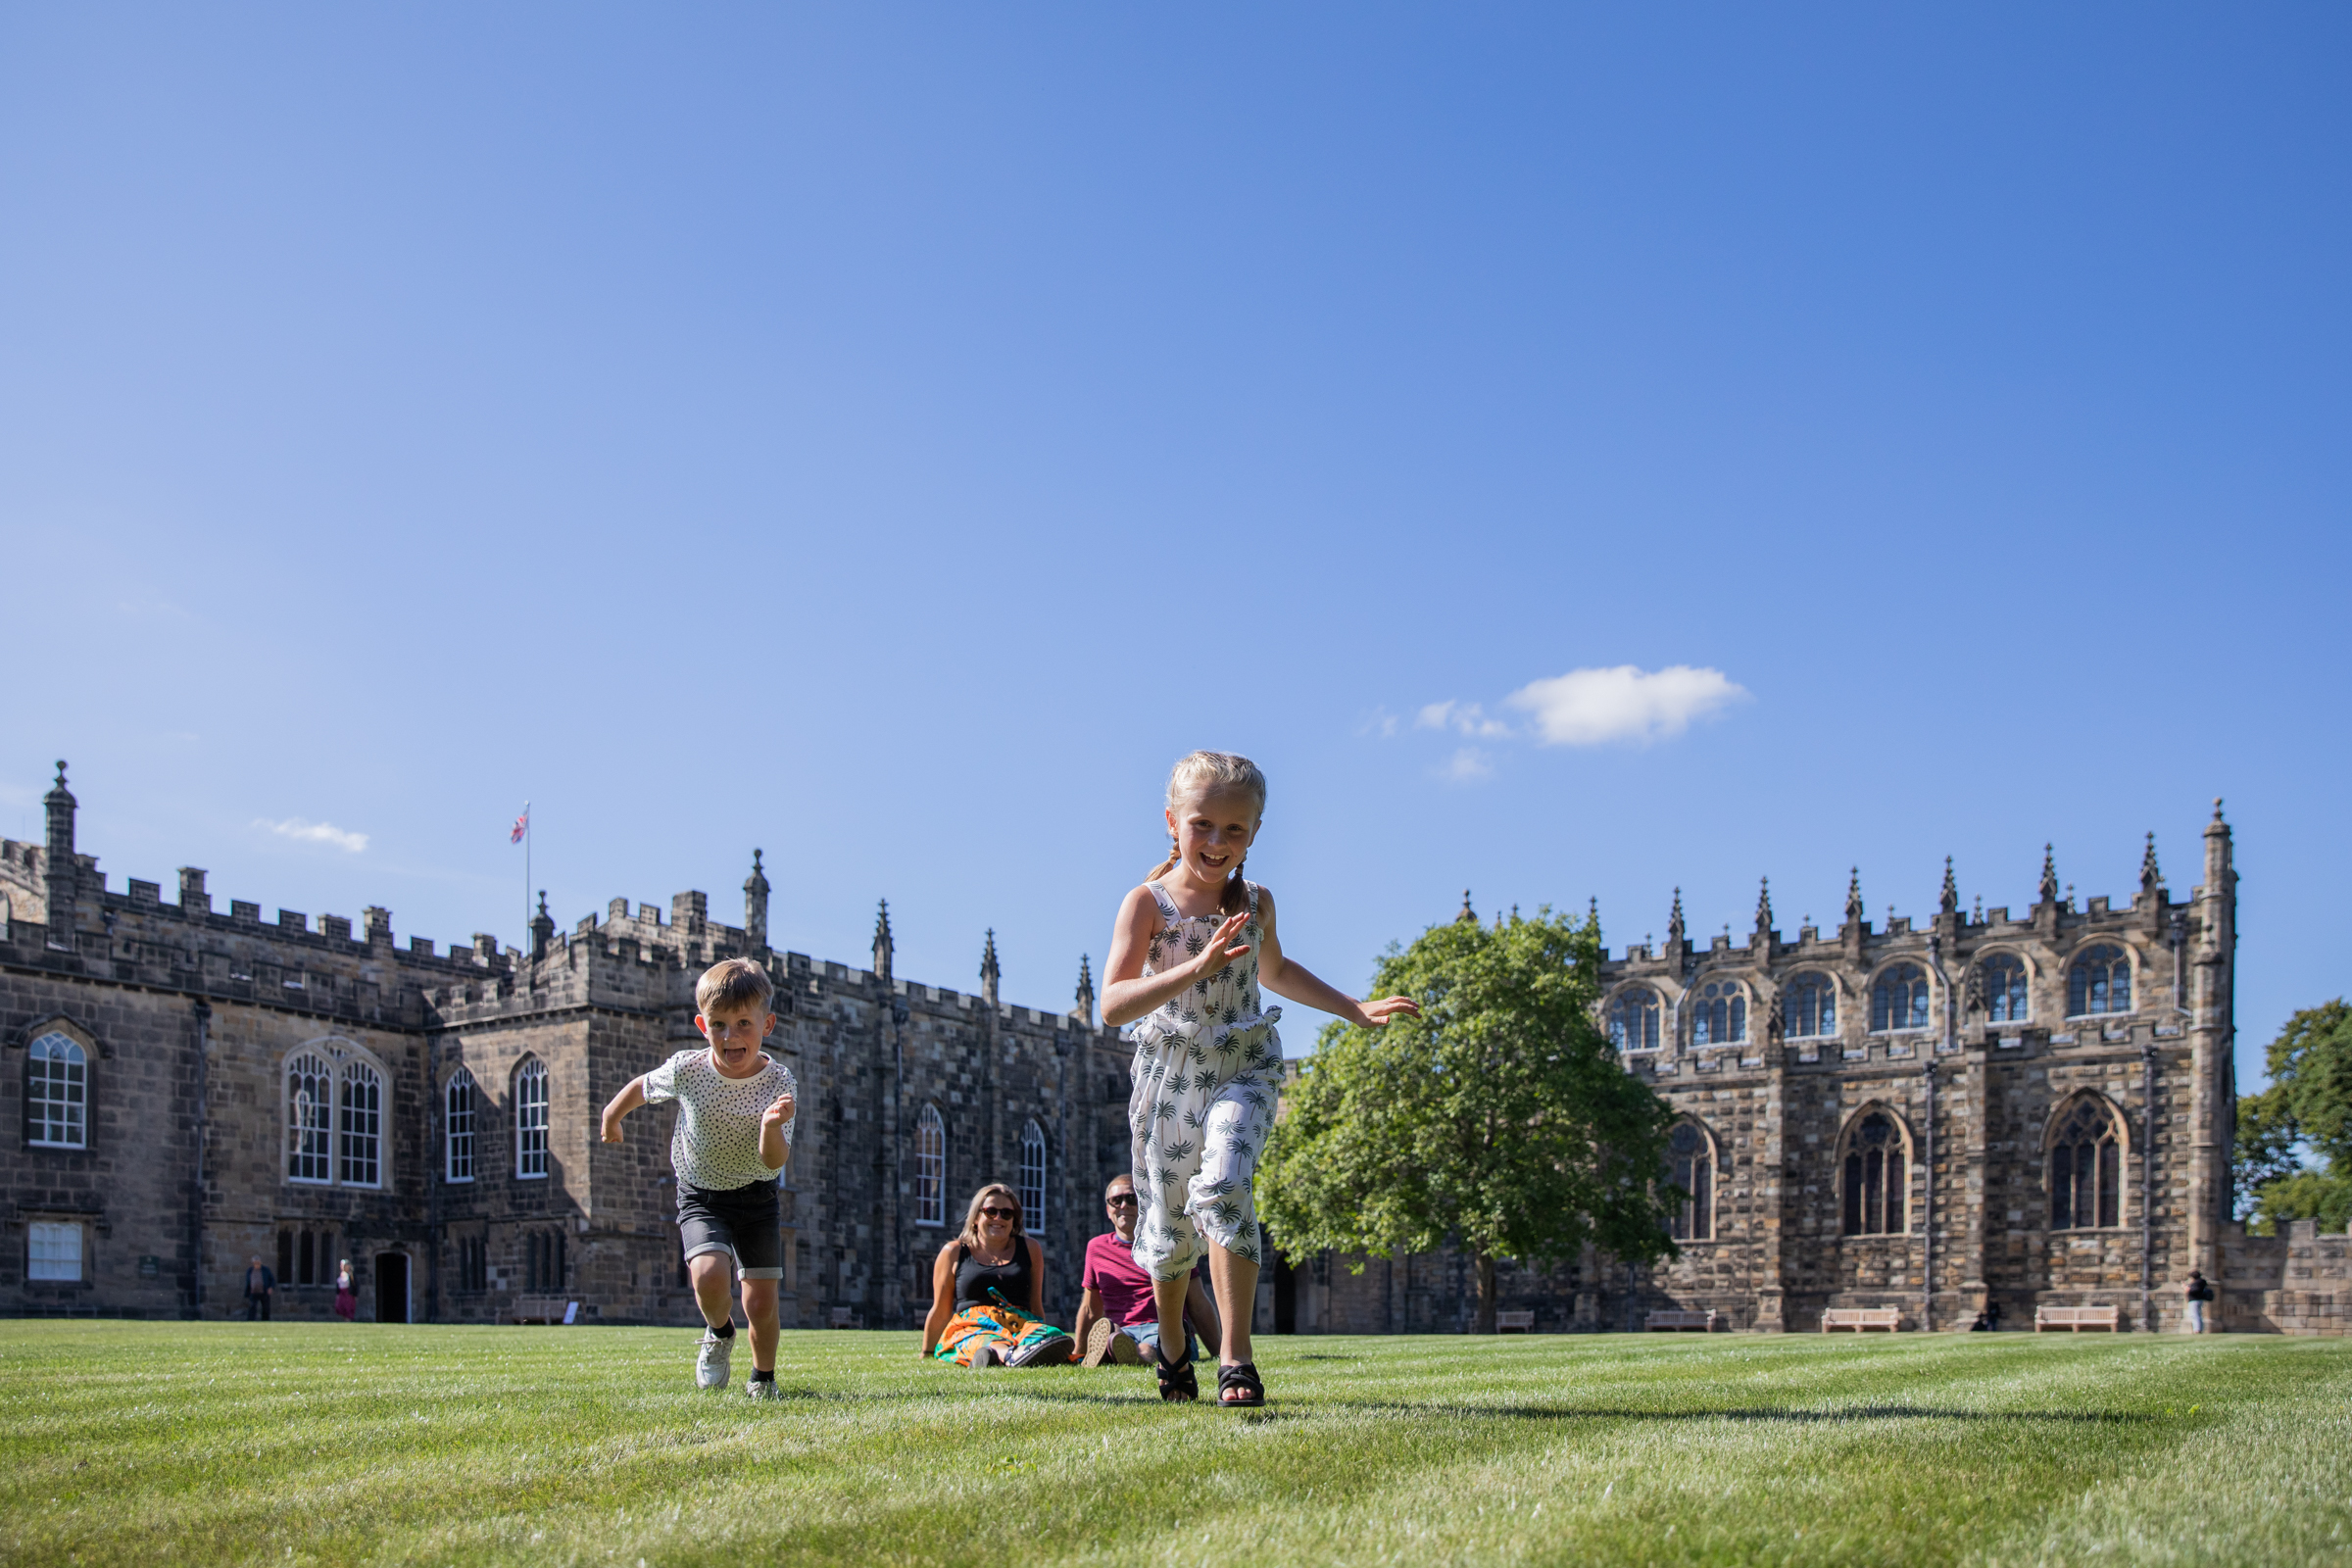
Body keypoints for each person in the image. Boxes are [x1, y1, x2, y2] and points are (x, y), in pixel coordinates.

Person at [1101, 751, 1420, 1405]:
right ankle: (1170, 1345)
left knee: (1225, 1186)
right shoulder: (1147, 904)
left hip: (1243, 1068)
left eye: (1234, 830)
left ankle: (1235, 1358)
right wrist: (1195, 967)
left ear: (1255, 833)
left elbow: (1274, 972)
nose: (1217, 843)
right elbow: (1112, 1006)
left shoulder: (1258, 901)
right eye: (1202, 826)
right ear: (1172, 823)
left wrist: (1352, 1008)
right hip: (1172, 1076)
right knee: (1167, 1229)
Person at [602, 956, 798, 1397]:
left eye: (743, 1023)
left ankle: (762, 1380)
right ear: (701, 1024)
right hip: (700, 1194)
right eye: (719, 1025)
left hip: (757, 1197)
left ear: (767, 1024)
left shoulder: (780, 1081)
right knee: (709, 1276)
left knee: (761, 1302)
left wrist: (769, 1127)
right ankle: (719, 1331)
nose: (731, 1036)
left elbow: (774, 1161)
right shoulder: (689, 1069)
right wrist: (613, 1114)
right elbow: (643, 1086)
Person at [1072, 1173, 1219, 1367]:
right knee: (1111, 1332)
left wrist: (1220, 1351)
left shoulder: (1171, 1242)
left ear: (1145, 1203)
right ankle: (1115, 1349)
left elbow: (1198, 1303)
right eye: (1116, 1201)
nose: (1124, 1206)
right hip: (1123, 1331)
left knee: (1149, 1346)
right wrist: (1077, 1353)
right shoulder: (1097, 1248)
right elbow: (1090, 1308)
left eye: (1131, 1198)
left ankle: (1134, 1356)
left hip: (1166, 1328)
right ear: (1108, 1210)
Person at [921, 1185, 1075, 1368]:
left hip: (1019, 1323)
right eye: (990, 1211)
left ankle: (1010, 1355)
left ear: (1014, 1220)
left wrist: (1041, 1328)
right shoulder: (953, 1252)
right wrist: (927, 1352)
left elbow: (1035, 1303)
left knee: (1051, 1335)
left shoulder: (1030, 1249)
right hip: (973, 1326)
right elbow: (941, 1308)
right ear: (976, 1217)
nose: (998, 1218)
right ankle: (1010, 1355)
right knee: (985, 1340)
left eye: (1006, 1213)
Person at [243, 1254, 275, 1321]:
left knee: (265, 1308)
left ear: (260, 1262)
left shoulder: (265, 1270)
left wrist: (271, 1287)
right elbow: (248, 1282)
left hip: (264, 1291)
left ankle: (265, 1321)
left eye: (258, 1262)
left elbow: (272, 1279)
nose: (256, 1264)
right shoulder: (250, 1270)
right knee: (252, 1307)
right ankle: (250, 1321)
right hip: (253, 1292)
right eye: (255, 1263)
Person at [2184, 1269, 2215, 1333]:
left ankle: (2197, 1329)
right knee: (2196, 1315)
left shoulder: (2198, 1282)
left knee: (2195, 1315)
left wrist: (2187, 1288)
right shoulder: (2200, 1282)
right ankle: (2198, 1329)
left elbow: (2195, 1291)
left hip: (2195, 1300)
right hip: (2197, 1300)